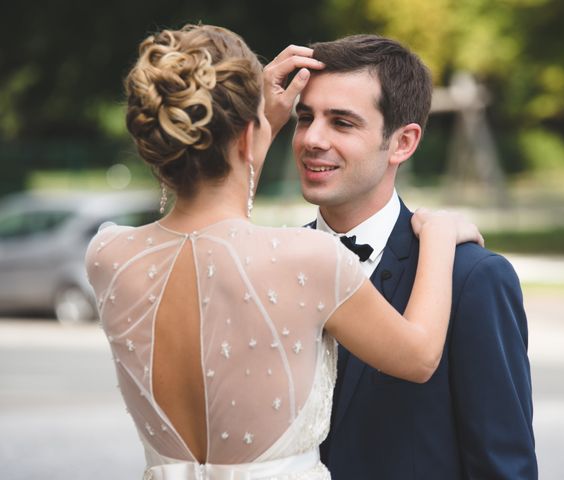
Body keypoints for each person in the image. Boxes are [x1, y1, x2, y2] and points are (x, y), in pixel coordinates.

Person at [84, 25, 483, 479]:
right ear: (248, 133)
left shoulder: (108, 256)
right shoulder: (306, 259)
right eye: (301, 118)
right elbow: (418, 355)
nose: (310, 137)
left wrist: (257, 120)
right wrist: (438, 234)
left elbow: (214, 210)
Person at [263, 35, 538, 479]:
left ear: (403, 143)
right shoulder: (267, 265)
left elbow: (503, 466)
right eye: (305, 117)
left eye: (342, 123)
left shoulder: (472, 278)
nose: (312, 139)